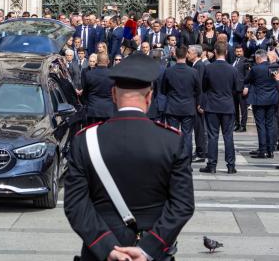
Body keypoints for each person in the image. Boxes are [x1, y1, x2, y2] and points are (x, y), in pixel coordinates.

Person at [64, 53, 194, 261]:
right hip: (153, 250)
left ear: (113, 95)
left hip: (100, 252)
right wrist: (148, 249)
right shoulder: (172, 140)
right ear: (149, 97)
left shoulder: (85, 140)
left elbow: (76, 204)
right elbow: (182, 205)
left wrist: (107, 248)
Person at [200, 42, 239, 174]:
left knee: (213, 137)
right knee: (228, 137)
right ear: (226, 52)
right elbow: (237, 88)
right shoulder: (233, 69)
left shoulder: (209, 68)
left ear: (215, 52)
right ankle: (231, 165)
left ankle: (212, 165)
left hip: (212, 105)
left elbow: (204, 87)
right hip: (227, 105)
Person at [162, 45, 202, 158]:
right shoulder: (193, 72)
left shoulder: (169, 71)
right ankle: (186, 159)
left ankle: (173, 159)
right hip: (187, 107)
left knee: (173, 135)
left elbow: (163, 90)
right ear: (185, 55)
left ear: (175, 55)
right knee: (187, 135)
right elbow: (198, 90)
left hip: (172, 107)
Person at [244, 49, 279, 159]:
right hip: (272, 99)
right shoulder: (274, 67)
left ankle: (263, 150)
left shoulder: (255, 68)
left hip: (259, 99)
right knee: (270, 125)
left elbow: (247, 80)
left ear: (258, 58)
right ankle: (270, 150)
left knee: (261, 125)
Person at [81, 52, 114, 123]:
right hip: (108, 110)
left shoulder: (89, 74)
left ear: (97, 61)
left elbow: (85, 92)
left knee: (92, 133)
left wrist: (87, 104)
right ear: (108, 62)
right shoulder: (113, 75)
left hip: (93, 110)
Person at [232, 45, 248, 132]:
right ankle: (236, 124)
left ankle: (243, 125)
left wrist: (246, 86)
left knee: (243, 108)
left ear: (243, 52)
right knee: (235, 108)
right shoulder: (234, 61)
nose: (238, 53)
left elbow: (247, 75)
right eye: (237, 51)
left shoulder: (245, 61)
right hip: (234, 88)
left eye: (240, 51)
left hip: (242, 88)